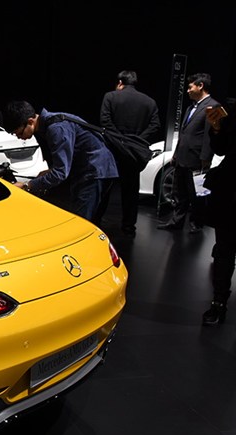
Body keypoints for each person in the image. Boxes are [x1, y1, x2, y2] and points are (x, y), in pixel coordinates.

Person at [2, 100, 118, 224]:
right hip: (100, 169)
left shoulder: (56, 129)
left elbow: (60, 173)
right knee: (92, 222)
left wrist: (27, 185)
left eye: (19, 133)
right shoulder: (53, 120)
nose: (19, 137)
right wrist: (49, 171)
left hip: (94, 172)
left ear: (30, 121)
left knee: (81, 224)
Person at [100, 70, 161, 237]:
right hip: (134, 152)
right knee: (131, 191)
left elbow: (105, 122)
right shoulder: (149, 102)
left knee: (104, 188)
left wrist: (120, 140)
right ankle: (128, 226)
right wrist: (137, 140)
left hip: (113, 150)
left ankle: (96, 222)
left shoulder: (110, 97)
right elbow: (155, 125)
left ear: (120, 82)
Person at [157, 73, 218, 233]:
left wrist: (205, 158)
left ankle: (197, 223)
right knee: (179, 193)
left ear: (200, 86)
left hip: (197, 159)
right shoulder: (191, 107)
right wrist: (175, 154)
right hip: (182, 157)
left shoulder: (214, 107)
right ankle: (176, 222)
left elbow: (211, 135)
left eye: (190, 87)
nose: (188, 90)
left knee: (197, 193)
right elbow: (184, 133)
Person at [200, 98, 236, 325]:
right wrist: (216, 128)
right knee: (224, 250)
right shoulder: (232, 109)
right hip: (231, 192)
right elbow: (222, 148)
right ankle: (219, 303)